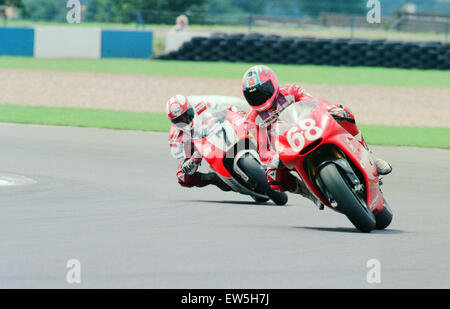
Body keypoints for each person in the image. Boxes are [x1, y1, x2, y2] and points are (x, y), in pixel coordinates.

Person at [241, 65, 392, 204]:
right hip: (285, 149)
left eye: (263, 91)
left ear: (273, 84)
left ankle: (370, 156)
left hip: (312, 128)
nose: (259, 97)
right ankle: (308, 192)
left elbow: (317, 104)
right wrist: (274, 159)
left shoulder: (293, 91)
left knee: (344, 113)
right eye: (253, 95)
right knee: (273, 179)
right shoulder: (252, 120)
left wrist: (332, 109)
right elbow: (262, 150)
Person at [167, 94, 231, 191]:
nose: (184, 121)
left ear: (189, 109)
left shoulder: (200, 106)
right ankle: (214, 179)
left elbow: (220, 108)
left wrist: (230, 111)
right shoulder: (174, 137)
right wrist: (194, 160)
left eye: (185, 115)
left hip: (212, 131)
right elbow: (184, 164)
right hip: (195, 148)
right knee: (182, 177)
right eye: (179, 120)